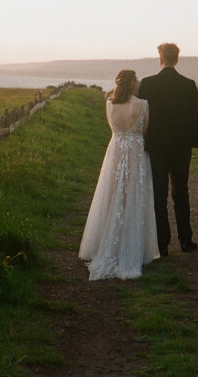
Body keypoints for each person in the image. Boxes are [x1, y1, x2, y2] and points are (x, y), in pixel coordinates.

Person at [79, 69, 160, 280]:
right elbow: (144, 130)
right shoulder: (143, 105)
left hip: (115, 153)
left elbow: (114, 130)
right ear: (132, 82)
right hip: (136, 153)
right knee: (134, 195)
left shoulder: (110, 104)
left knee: (113, 194)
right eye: (136, 79)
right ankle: (132, 248)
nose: (139, 82)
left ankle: (106, 242)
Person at [138, 43, 198, 255]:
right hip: (181, 147)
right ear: (176, 59)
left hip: (156, 147)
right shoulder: (188, 84)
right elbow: (196, 115)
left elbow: (141, 116)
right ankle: (185, 240)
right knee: (181, 192)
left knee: (159, 195)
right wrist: (190, 138)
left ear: (160, 59)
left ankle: (162, 244)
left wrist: (146, 138)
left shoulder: (147, 84)